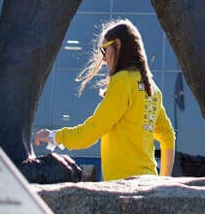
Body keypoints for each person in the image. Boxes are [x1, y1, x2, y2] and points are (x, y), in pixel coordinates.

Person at [33, 19, 175, 180]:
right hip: (149, 183)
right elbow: (168, 136)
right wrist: (163, 183)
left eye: (104, 50)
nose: (104, 58)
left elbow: (91, 132)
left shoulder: (122, 81)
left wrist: (53, 136)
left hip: (124, 187)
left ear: (118, 44)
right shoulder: (152, 88)